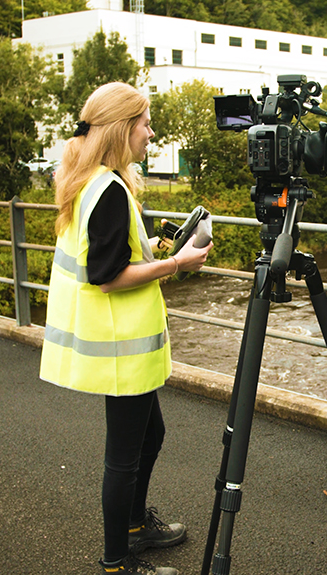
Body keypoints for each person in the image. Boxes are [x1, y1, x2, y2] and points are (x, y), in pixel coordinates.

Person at [40, 82, 213, 575]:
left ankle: (135, 529)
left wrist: (155, 245)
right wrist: (176, 264)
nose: (151, 133)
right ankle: (117, 561)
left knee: (149, 436)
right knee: (124, 456)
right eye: (146, 123)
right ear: (123, 128)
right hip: (120, 348)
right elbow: (109, 275)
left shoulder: (92, 179)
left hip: (120, 348)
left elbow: (113, 251)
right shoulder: (110, 190)